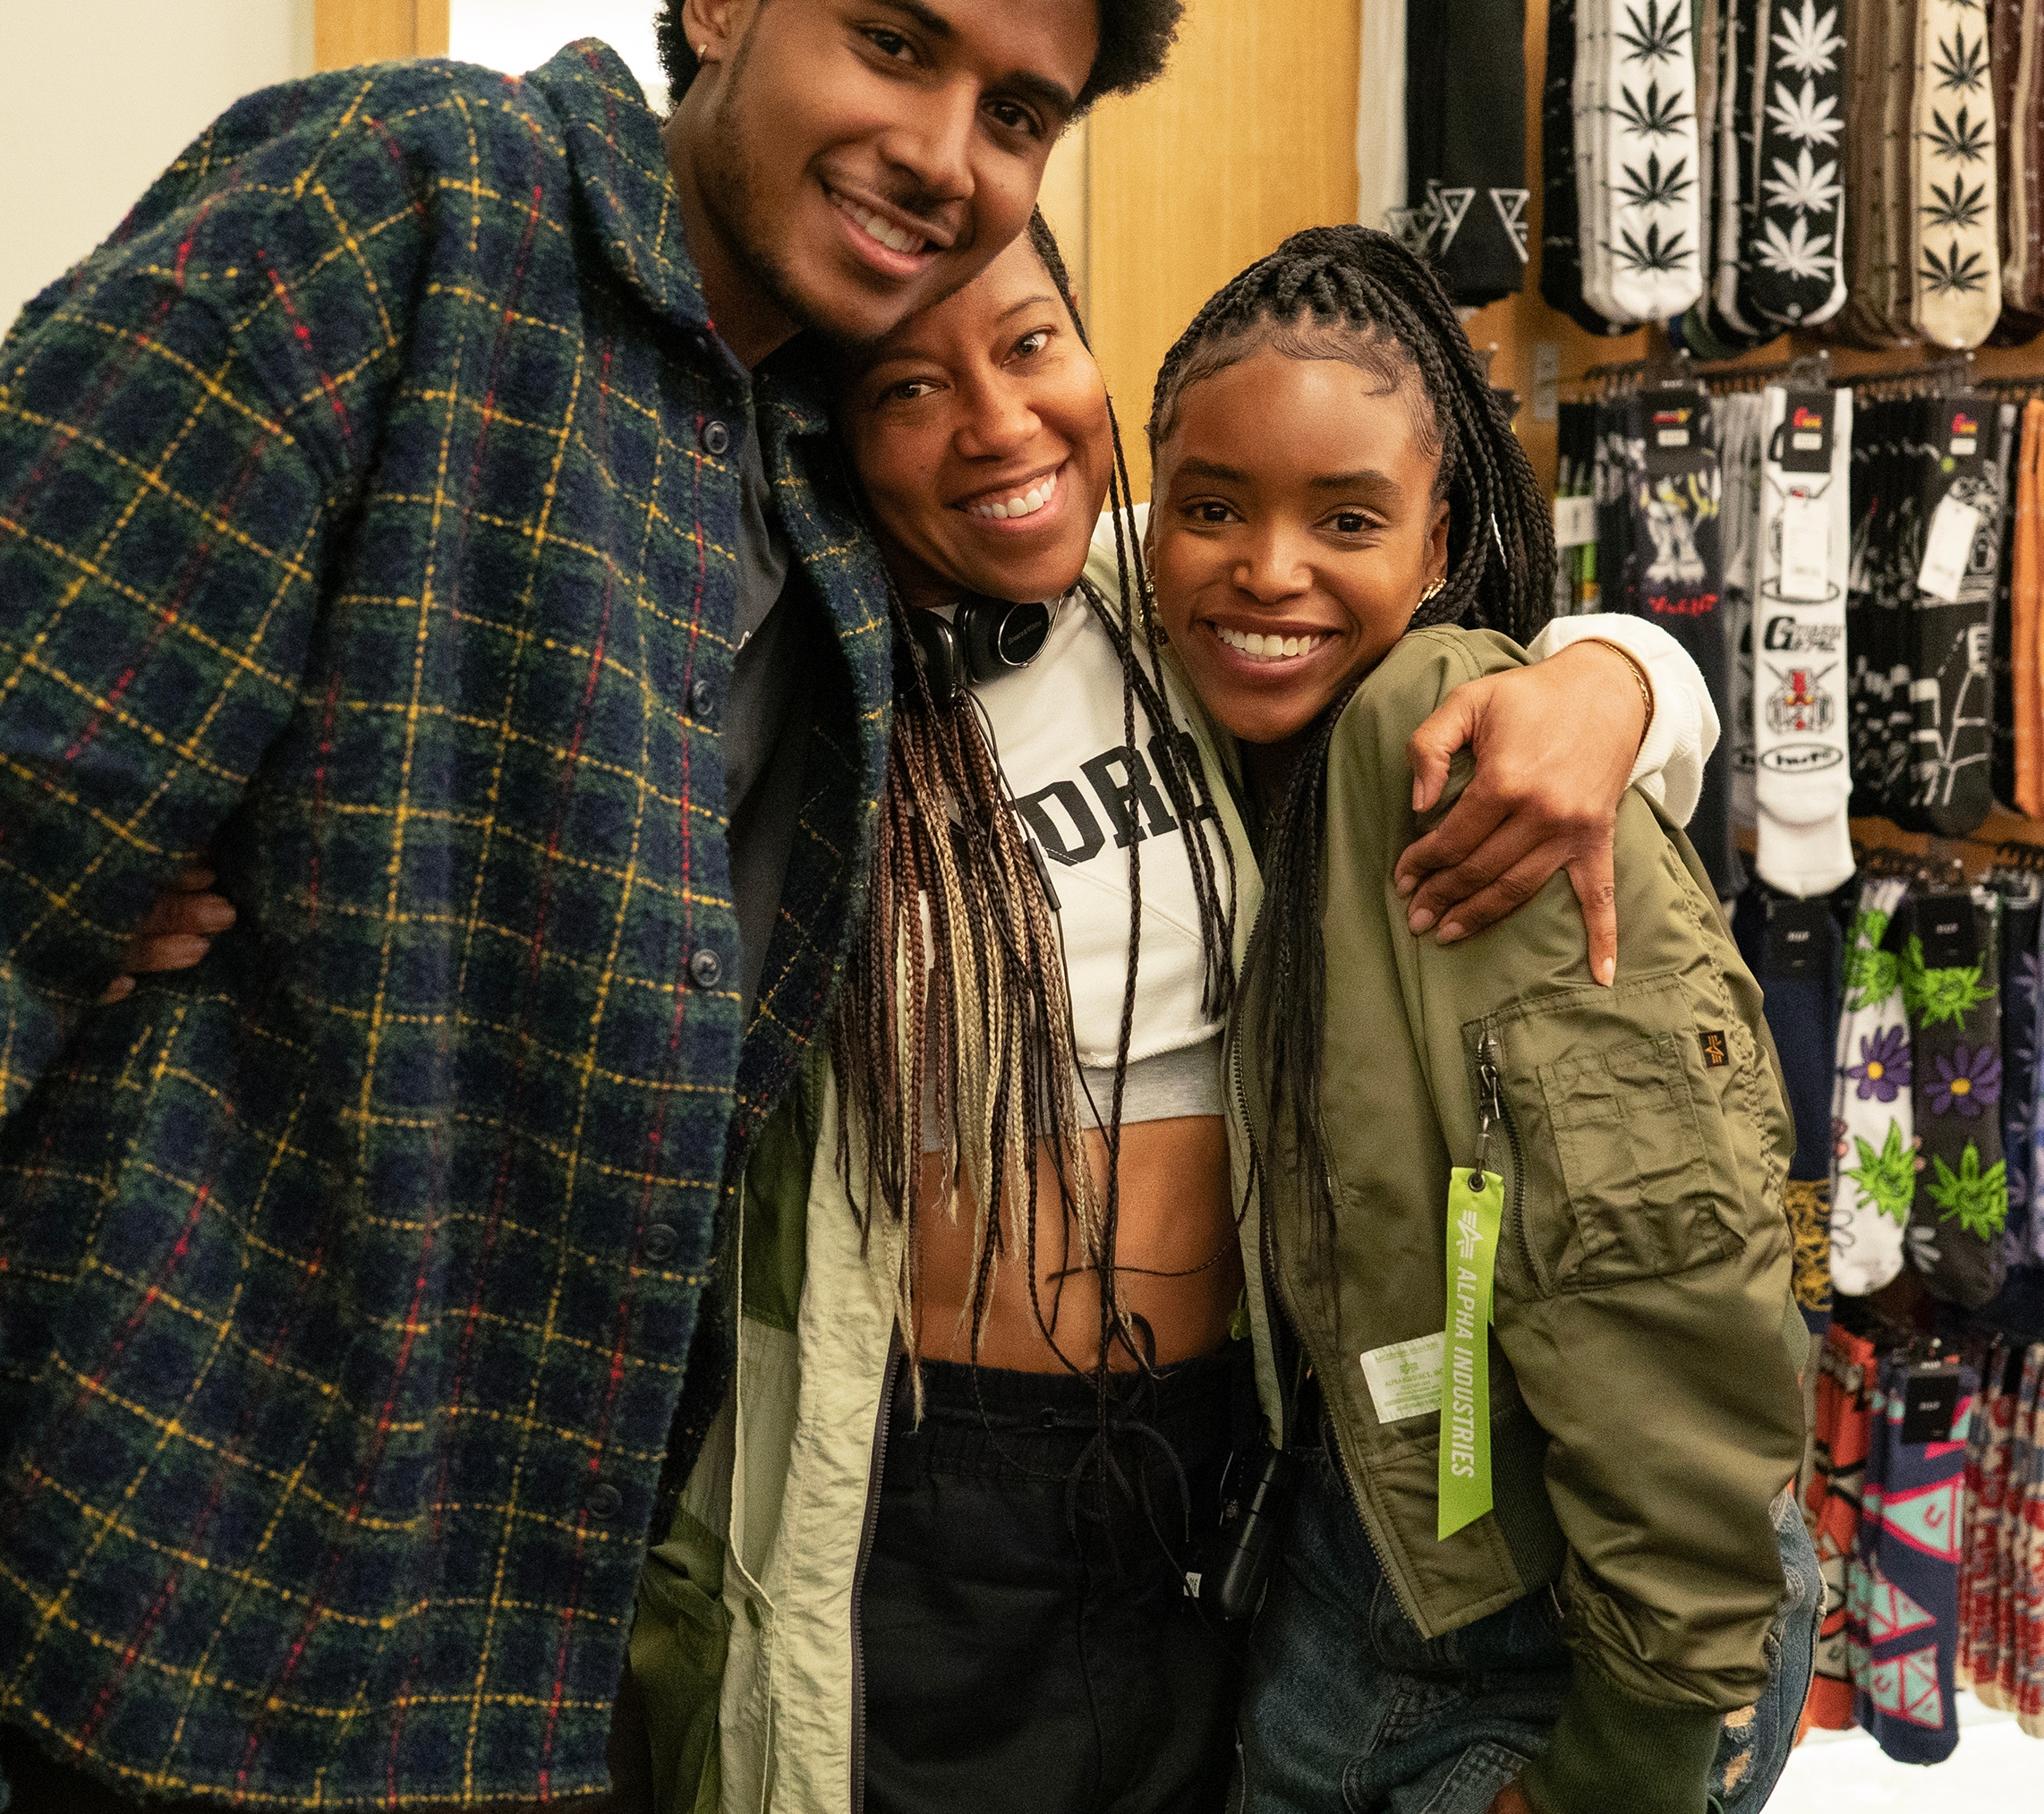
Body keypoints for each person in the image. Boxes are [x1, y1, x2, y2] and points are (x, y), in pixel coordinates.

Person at [0, 0, 1198, 1814]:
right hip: (158, 1646)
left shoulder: (833, 468)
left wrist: (1614, 671)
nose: (946, 150)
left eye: (1019, 111)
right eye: (897, 42)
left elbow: (1230, 590)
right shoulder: (406, 212)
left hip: (528, 1674)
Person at [594, 220, 1720, 1814]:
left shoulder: (1155, 585)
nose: (1000, 421)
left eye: (1036, 343)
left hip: (1229, 1458)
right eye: (912, 385)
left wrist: (1614, 680)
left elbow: (1543, 668)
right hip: (932, 1479)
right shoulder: (794, 676)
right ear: (836, 425)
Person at [1141, 226, 1813, 1814]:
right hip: (1373, 1582)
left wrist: (1635, 1758)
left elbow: (1671, 1266)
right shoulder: (1270, 719)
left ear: (1441, 540)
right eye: (1212, 507)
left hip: (1538, 1655)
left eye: (1348, 518)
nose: (1269, 566)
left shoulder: (1461, 758)